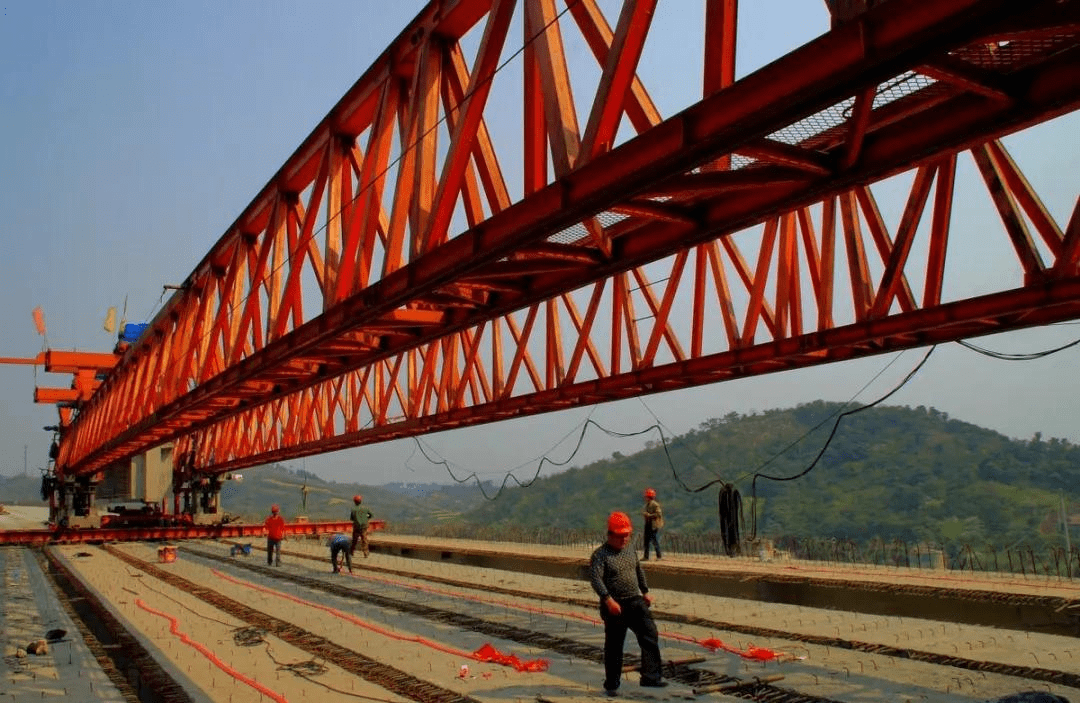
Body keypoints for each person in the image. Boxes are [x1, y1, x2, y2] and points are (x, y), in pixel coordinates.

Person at [589, 511, 666, 694]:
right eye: (621, 536)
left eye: (627, 535)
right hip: (614, 606)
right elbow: (596, 579)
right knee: (615, 646)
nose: (624, 539)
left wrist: (645, 591)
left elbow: (638, 570)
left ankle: (651, 677)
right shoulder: (600, 555)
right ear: (610, 535)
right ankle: (612, 685)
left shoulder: (630, 550)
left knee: (650, 634)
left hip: (635, 601)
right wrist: (608, 600)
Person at [642, 488, 664, 560]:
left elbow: (658, 514)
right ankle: (646, 556)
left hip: (653, 525)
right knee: (646, 541)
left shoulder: (655, 505)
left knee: (654, 540)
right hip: (648, 524)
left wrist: (649, 515)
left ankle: (659, 556)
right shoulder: (647, 505)